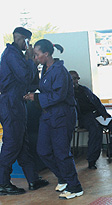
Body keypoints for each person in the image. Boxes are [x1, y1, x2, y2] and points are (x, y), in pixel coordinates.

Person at [23, 39, 83, 199]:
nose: (35, 57)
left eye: (36, 55)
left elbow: (59, 95)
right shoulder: (45, 69)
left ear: (46, 54)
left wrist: (36, 98)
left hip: (62, 115)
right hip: (48, 115)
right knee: (42, 150)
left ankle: (75, 187)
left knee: (62, 152)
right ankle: (63, 177)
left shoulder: (59, 71)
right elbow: (42, 87)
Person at [0, 27, 49, 195]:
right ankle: (3, 183)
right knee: (12, 143)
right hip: (10, 104)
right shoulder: (12, 55)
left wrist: (29, 61)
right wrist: (31, 60)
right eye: (28, 41)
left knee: (22, 144)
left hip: (17, 103)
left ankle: (33, 179)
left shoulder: (16, 55)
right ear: (23, 39)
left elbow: (31, 83)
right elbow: (26, 77)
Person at [69, 70, 112, 170]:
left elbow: (97, 102)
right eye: (73, 79)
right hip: (85, 117)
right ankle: (92, 160)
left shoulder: (84, 90)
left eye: (77, 78)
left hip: (98, 114)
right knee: (96, 131)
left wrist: (104, 114)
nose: (76, 81)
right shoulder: (67, 93)